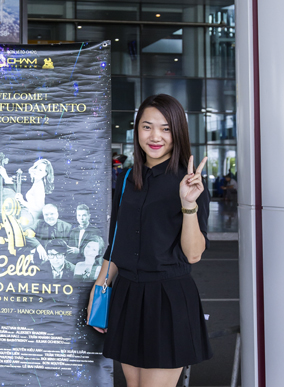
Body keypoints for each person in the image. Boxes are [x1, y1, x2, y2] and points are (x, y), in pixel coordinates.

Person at [87, 94, 212, 387]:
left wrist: (188, 204)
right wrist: (98, 288)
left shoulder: (190, 182)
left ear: (177, 132)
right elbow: (117, 243)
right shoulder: (129, 178)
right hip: (128, 294)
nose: (155, 136)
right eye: (147, 127)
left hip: (167, 297)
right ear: (137, 131)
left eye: (166, 128)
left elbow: (193, 255)